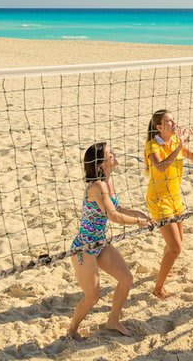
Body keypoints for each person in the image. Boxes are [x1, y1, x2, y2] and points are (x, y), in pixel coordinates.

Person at [68, 142, 152, 341]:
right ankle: (71, 330)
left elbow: (117, 208)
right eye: (109, 153)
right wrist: (138, 222)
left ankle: (113, 320)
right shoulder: (97, 186)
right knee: (93, 297)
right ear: (100, 164)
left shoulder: (108, 182)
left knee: (126, 279)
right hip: (84, 248)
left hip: (99, 243)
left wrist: (137, 213)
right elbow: (113, 216)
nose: (114, 154)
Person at [145, 109, 193, 299]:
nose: (174, 123)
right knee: (176, 248)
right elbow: (161, 167)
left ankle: (165, 270)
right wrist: (178, 148)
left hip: (175, 197)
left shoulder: (176, 141)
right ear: (159, 127)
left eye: (174, 120)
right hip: (159, 199)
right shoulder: (152, 146)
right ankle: (158, 289)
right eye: (169, 122)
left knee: (175, 243)